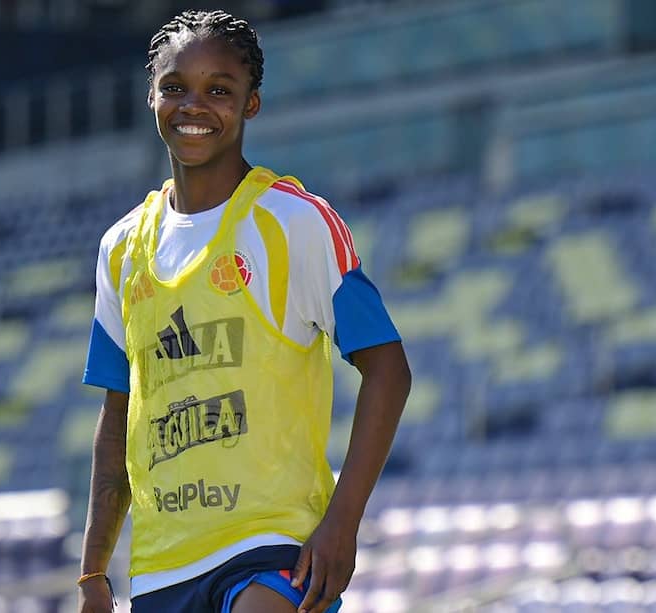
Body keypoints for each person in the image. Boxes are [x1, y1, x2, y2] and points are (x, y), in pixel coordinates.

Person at [79, 10, 410, 613]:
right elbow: (118, 412)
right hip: (161, 565)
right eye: (175, 87)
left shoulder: (292, 221)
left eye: (220, 90)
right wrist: (93, 572)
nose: (194, 106)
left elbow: (389, 369)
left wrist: (342, 523)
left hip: (273, 543)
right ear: (152, 96)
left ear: (251, 105)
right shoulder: (121, 249)